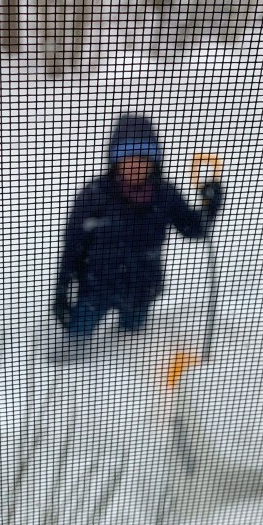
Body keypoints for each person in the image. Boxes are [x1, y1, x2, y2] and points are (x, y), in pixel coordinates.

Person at [52, 114, 223, 357]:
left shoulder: (164, 194)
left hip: (141, 288)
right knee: (77, 336)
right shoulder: (94, 195)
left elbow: (192, 228)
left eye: (143, 158)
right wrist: (63, 284)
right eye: (127, 158)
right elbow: (73, 242)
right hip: (96, 286)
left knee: (130, 341)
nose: (135, 165)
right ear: (115, 161)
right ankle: (70, 362)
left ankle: (124, 365)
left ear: (154, 161)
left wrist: (210, 207)